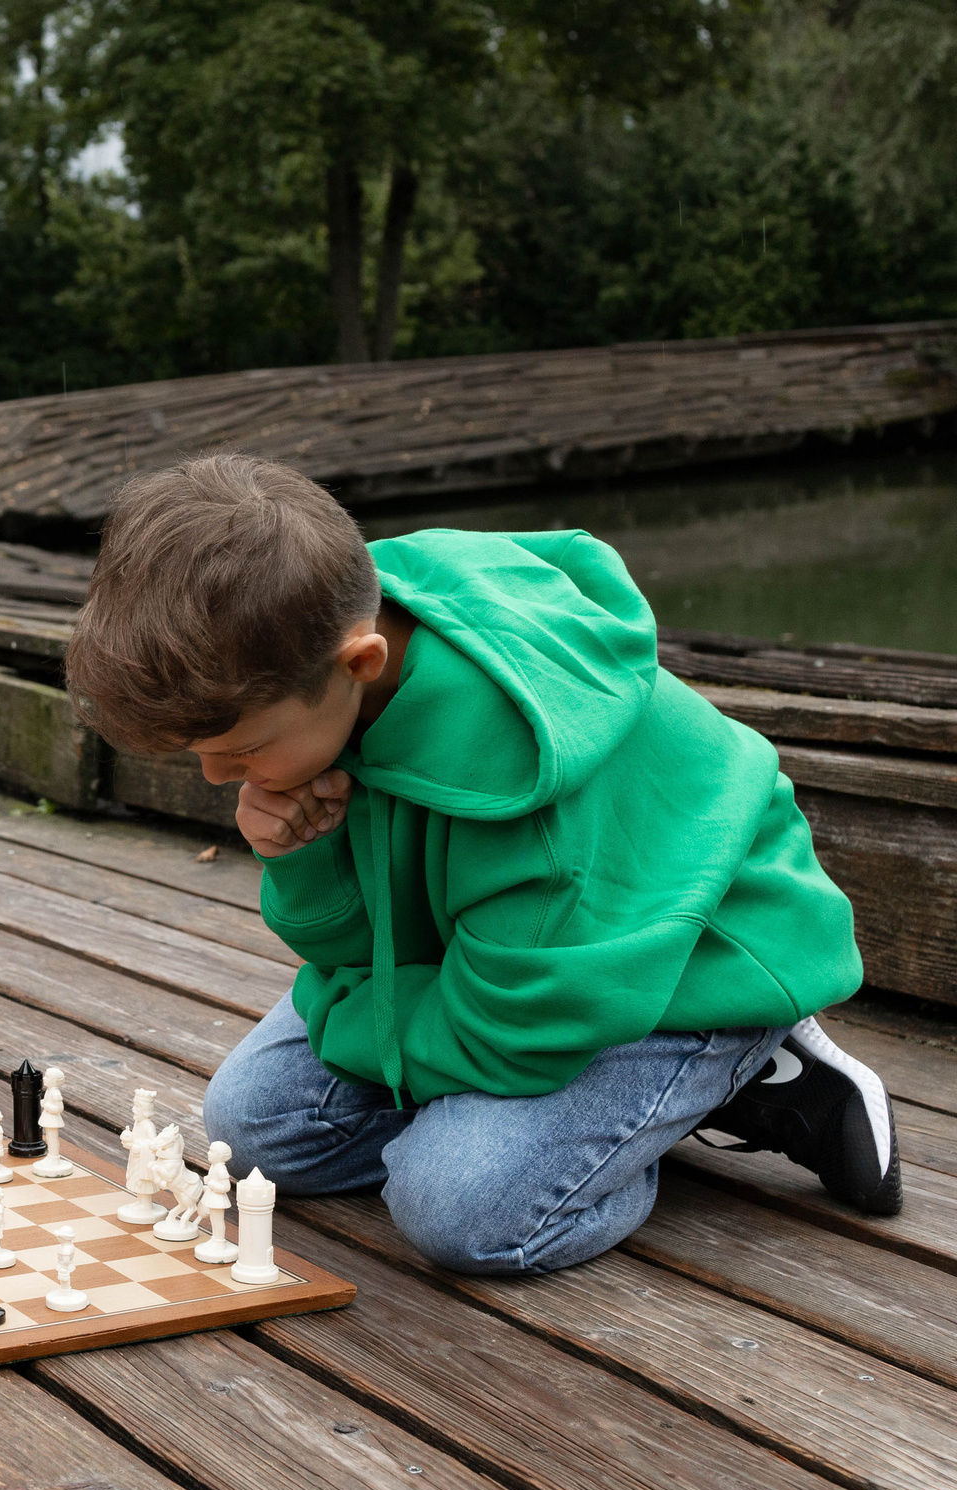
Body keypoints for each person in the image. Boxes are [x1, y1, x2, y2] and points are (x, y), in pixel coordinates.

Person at [65, 454, 896, 1277]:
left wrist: (370, 1029)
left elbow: (510, 1033)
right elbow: (355, 952)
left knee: (460, 1207)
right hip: (502, 966)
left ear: (361, 664)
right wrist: (305, 852)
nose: (217, 779)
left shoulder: (515, 771)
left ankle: (733, 1065)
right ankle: (602, 1121)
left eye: (240, 750)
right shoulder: (310, 641)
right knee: (254, 1132)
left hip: (680, 965)